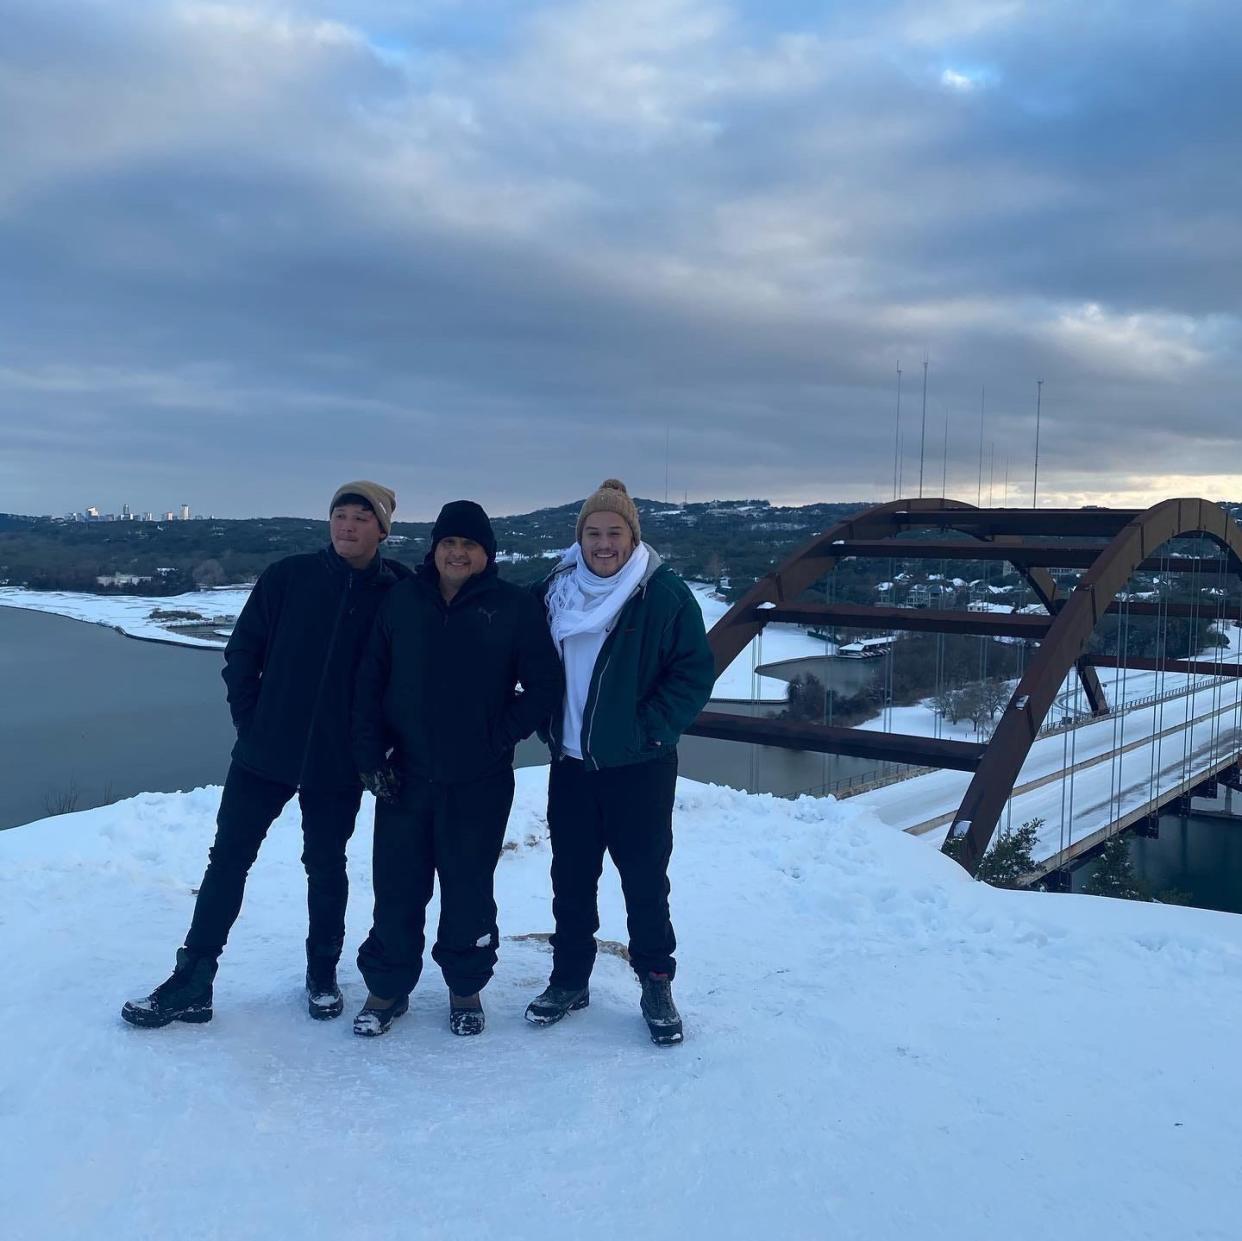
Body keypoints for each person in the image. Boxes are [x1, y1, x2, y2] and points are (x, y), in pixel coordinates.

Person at [122, 481, 409, 1028]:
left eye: (360, 518)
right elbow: (242, 652)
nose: (347, 526)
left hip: (337, 762)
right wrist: (251, 722)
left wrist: (377, 746)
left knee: (326, 867)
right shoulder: (289, 576)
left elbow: (405, 679)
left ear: (382, 530)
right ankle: (193, 980)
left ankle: (322, 973)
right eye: (340, 515)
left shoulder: (396, 593)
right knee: (228, 861)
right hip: (264, 753)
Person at [351, 500, 562, 1037]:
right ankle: (386, 989)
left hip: (479, 780)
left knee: (468, 886)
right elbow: (370, 682)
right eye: (449, 543)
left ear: (486, 554)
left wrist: (495, 738)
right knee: (397, 886)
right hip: (404, 775)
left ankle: (465, 990)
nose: (457, 552)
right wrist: (371, 755)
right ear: (435, 549)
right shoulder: (402, 600)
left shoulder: (513, 607)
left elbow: (543, 688)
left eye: (469, 544)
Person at [525, 479, 715, 1045]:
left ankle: (656, 979)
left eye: (615, 532)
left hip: (639, 767)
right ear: (578, 537)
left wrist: (648, 732)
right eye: (593, 532)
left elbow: (692, 674)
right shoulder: (554, 591)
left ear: (633, 537)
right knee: (572, 877)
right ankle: (569, 979)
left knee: (644, 881)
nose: (603, 544)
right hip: (572, 765)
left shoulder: (663, 594)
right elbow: (524, 658)